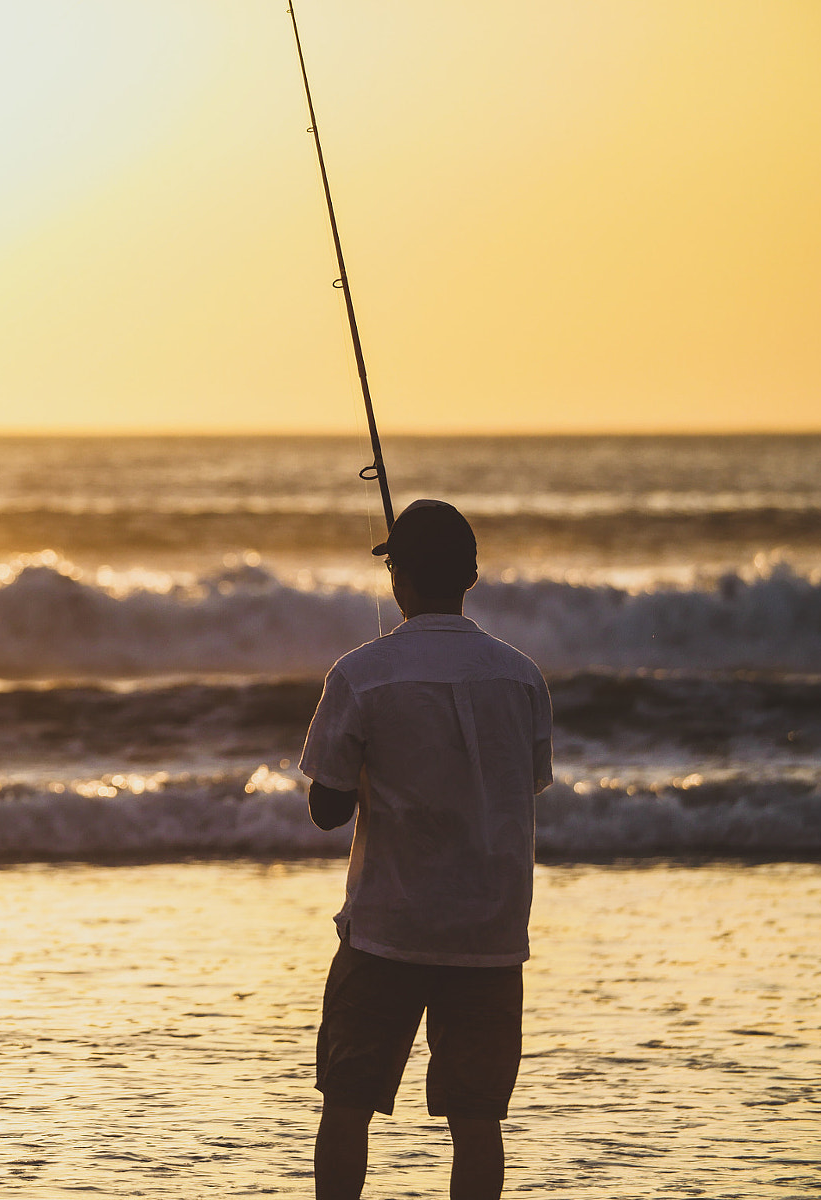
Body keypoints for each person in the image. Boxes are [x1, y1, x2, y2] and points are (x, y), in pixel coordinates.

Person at [298, 498, 552, 1200]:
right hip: (491, 934)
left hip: (388, 929)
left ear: (398, 579)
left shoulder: (361, 674)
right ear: (470, 576)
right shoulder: (521, 677)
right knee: (477, 1116)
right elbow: (521, 785)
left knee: (348, 1101)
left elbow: (326, 809)